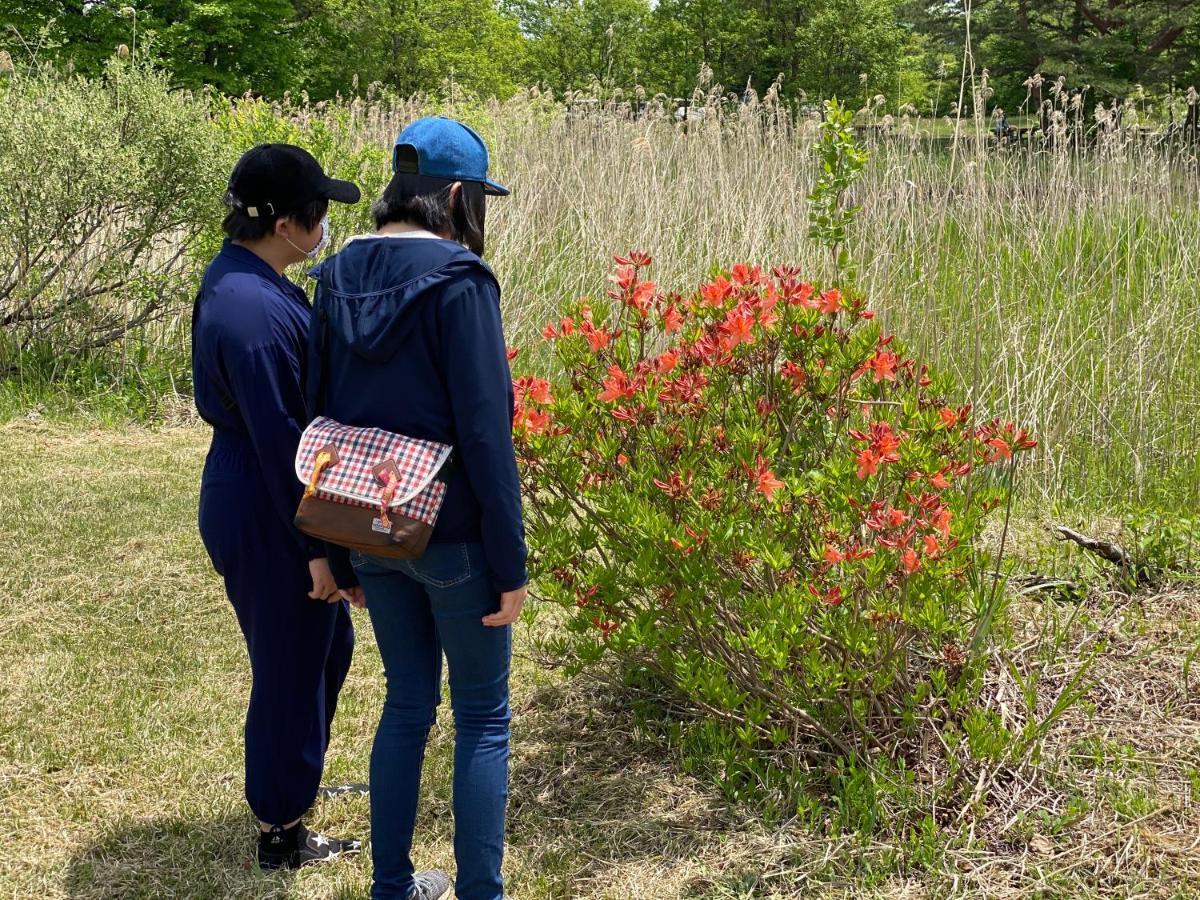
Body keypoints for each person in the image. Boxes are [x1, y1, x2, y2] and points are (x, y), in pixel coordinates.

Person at [310, 117, 527, 900]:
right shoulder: (462, 284)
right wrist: (512, 562)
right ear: (459, 195)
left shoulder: (332, 277)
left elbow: (318, 417)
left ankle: (392, 889)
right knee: (482, 719)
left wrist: (336, 552)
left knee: (405, 705)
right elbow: (486, 432)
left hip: (366, 523)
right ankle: (480, 894)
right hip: (456, 535)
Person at [192, 144, 365, 870]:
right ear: (288, 221)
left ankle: (296, 778)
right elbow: (281, 445)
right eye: (320, 212)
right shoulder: (253, 314)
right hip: (268, 498)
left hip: (257, 485)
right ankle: (281, 830)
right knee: (292, 665)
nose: (324, 225)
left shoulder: (247, 277)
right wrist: (321, 550)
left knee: (324, 649)